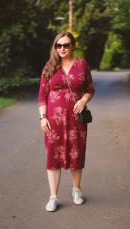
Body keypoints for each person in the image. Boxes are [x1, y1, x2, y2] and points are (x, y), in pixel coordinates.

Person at [38, 32, 95, 212]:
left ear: (73, 46)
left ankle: (76, 190)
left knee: (76, 154)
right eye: (58, 45)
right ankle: (53, 197)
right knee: (52, 156)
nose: (62, 48)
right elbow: (42, 95)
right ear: (55, 47)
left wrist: (84, 100)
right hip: (53, 122)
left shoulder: (82, 65)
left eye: (66, 45)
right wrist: (42, 117)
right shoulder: (50, 67)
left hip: (77, 120)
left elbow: (90, 89)